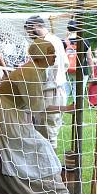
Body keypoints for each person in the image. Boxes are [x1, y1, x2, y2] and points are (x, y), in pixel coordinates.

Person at [0, 39, 73, 194]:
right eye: (50, 52)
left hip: (13, 110)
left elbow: (36, 105)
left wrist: (65, 108)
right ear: (40, 55)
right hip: (5, 110)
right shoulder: (31, 71)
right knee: (27, 145)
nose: (54, 56)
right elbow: (37, 107)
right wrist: (65, 108)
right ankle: (34, 190)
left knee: (19, 146)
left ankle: (8, 188)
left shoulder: (38, 70)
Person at [24, 15, 67, 149]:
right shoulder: (56, 40)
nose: (29, 35)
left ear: (36, 26)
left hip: (49, 93)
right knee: (51, 129)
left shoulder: (44, 43)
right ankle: (49, 165)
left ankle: (50, 167)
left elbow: (46, 70)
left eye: (29, 31)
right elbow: (65, 63)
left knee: (47, 133)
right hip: (59, 91)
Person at [63, 20, 94, 102]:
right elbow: (89, 58)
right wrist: (92, 71)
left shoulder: (63, 41)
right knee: (78, 94)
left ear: (67, 29)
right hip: (82, 71)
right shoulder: (85, 41)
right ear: (79, 29)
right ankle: (77, 113)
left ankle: (60, 113)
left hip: (67, 71)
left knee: (64, 93)